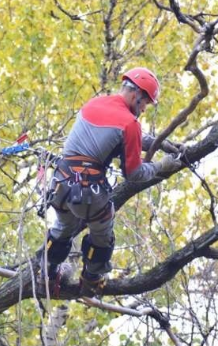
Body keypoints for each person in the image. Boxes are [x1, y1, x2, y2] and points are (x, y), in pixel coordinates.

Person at [38, 67, 183, 297]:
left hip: (61, 182)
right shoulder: (129, 123)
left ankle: (46, 270)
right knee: (102, 234)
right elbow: (133, 173)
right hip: (89, 191)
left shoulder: (93, 104)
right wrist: (161, 166)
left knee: (63, 227)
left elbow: (112, 136)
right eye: (145, 103)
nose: (144, 109)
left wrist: (158, 143)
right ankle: (92, 279)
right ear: (137, 95)